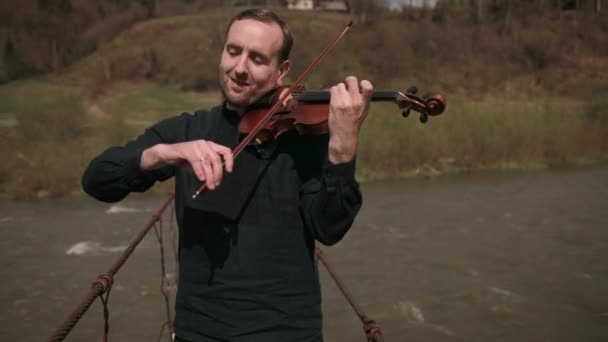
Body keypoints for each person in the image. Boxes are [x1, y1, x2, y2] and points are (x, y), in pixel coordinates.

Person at [82, 8, 373, 342]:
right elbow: (96, 180)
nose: (240, 68)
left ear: (282, 71)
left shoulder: (303, 140)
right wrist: (162, 154)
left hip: (287, 333)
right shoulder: (187, 130)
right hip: (199, 333)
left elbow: (329, 227)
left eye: (258, 58)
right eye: (233, 51)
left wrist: (343, 147)